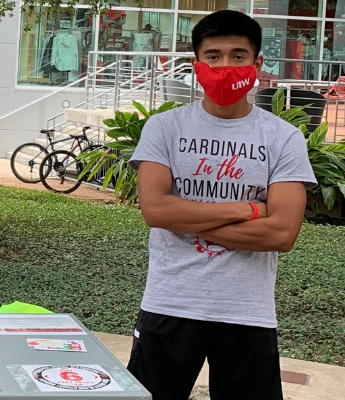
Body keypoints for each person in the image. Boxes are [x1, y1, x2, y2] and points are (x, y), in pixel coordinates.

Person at [128, 10, 315, 400]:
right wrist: (247, 210)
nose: (224, 66)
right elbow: (155, 210)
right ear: (197, 65)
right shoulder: (165, 128)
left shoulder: (284, 138)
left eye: (237, 55)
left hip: (246, 310)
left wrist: (184, 215)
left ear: (258, 64)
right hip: (170, 302)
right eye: (213, 56)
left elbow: (281, 232)